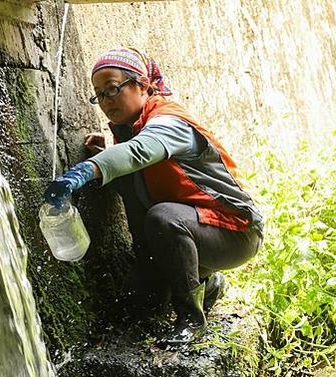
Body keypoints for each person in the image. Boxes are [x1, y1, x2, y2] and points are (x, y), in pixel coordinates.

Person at [44, 47, 263, 347]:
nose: (106, 102)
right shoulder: (131, 129)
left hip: (234, 232)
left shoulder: (169, 120)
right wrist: (108, 155)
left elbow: (140, 152)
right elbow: (139, 165)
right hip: (195, 228)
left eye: (112, 89)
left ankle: (190, 320)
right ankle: (207, 283)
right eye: (99, 95)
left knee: (164, 217)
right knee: (137, 305)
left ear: (142, 85)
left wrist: (86, 170)